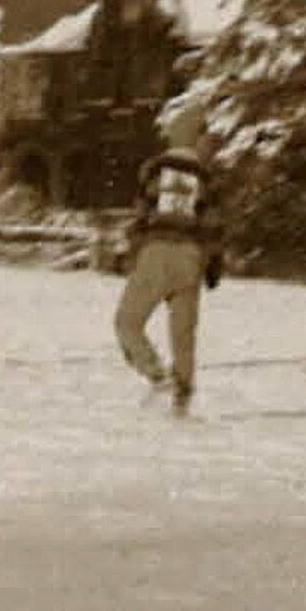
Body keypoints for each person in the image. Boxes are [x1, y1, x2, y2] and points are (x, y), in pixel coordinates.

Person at [112, 141, 225, 416]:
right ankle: (182, 394)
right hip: (191, 258)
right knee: (183, 335)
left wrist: (127, 254)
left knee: (127, 322)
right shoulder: (206, 186)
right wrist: (213, 265)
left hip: (157, 253)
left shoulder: (154, 178)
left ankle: (156, 374)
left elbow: (140, 221)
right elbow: (214, 229)